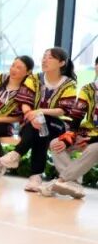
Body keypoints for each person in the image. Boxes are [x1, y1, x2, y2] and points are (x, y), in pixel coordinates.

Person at [0, 47, 83, 191]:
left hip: (57, 127)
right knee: (41, 130)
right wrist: (31, 114)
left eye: (50, 57)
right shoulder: (34, 79)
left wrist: (39, 112)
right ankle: (35, 177)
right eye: (44, 56)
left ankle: (19, 158)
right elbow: (24, 102)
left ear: (61, 63)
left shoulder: (69, 84)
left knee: (42, 122)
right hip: (31, 124)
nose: (44, 60)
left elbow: (63, 110)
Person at [40, 53, 97, 198]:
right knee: (56, 144)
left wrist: (92, 140)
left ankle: (61, 181)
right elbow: (76, 117)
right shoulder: (88, 89)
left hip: (94, 140)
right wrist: (68, 138)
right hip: (87, 133)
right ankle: (74, 185)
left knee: (94, 148)